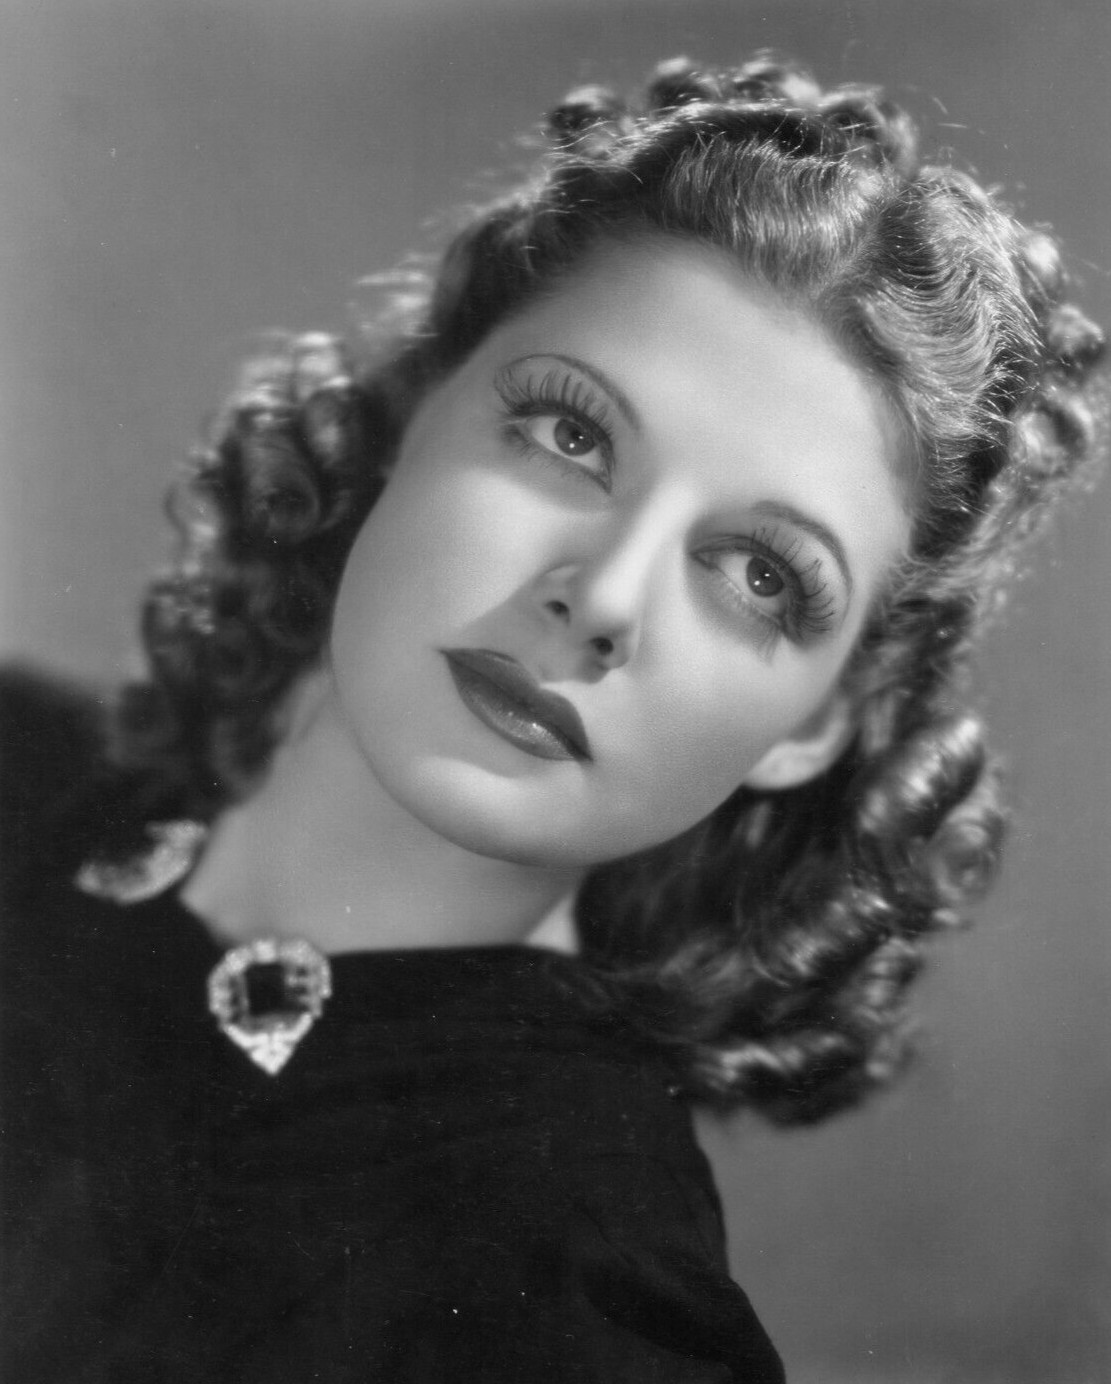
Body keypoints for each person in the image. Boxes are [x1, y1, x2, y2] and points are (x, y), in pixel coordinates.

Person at [0, 51, 1104, 1383]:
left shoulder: (574, 1292)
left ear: (815, 725)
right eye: (571, 436)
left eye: (762, 576)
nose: (605, 601)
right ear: (412, 414)